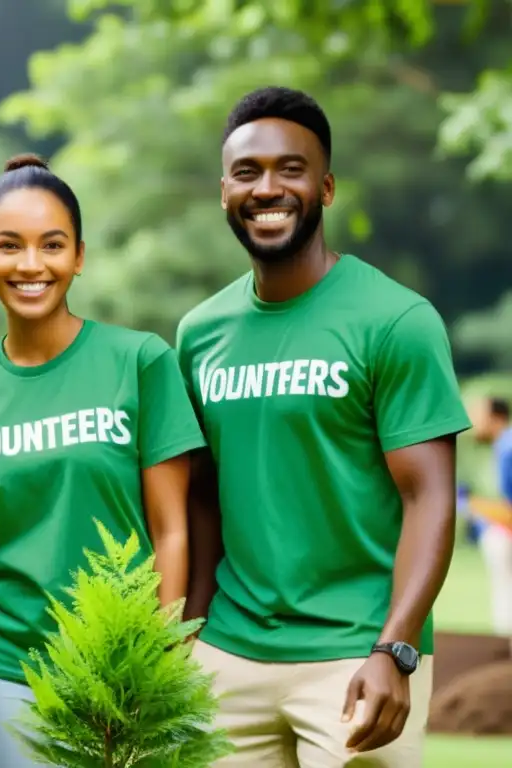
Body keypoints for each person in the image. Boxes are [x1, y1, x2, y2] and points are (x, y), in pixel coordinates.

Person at [176, 86, 472, 767]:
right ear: (224, 190)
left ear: (327, 187)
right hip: (229, 656)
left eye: (291, 168)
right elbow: (203, 497)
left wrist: (395, 649)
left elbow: (428, 496)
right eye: (247, 172)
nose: (268, 188)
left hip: (355, 658)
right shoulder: (199, 334)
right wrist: (189, 635)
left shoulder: (395, 321)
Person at [0, 154, 207, 767]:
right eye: (9, 245)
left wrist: (156, 664)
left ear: (78, 255)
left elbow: (171, 529)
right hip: (6, 679)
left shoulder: (141, 362)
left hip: (122, 673)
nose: (30, 265)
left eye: (51, 245)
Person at [466, 396, 512, 635]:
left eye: (478, 414)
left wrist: (475, 506)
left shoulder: (507, 447)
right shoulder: (503, 445)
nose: (473, 420)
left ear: (495, 417)